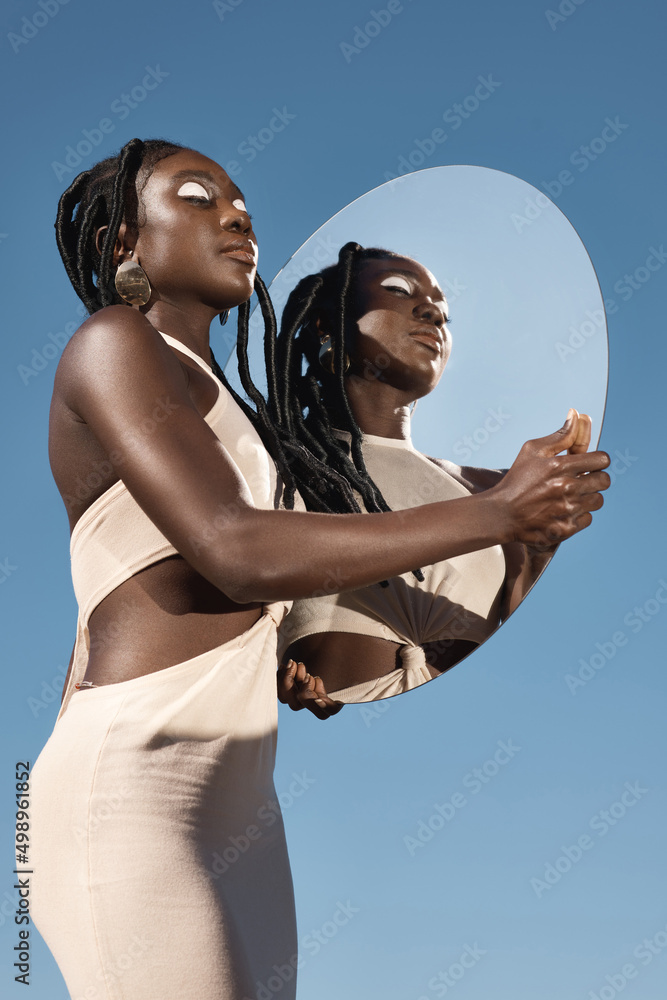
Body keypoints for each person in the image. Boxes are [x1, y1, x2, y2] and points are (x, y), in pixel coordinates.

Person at [30, 140, 608, 1000]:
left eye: (240, 202)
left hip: (237, 803)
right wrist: (492, 513)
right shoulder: (114, 344)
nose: (235, 213)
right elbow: (230, 546)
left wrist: (282, 660)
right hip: (131, 783)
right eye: (196, 197)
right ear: (124, 243)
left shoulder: (228, 411)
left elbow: (231, 579)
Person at [269, 243, 602, 703]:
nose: (433, 312)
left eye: (444, 310)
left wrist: (541, 551)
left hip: (467, 730)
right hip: (340, 755)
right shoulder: (277, 458)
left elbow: (526, 649)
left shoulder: (494, 487)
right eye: (399, 290)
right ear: (328, 324)